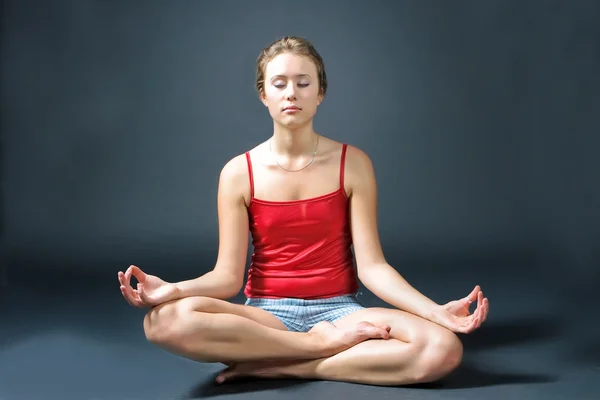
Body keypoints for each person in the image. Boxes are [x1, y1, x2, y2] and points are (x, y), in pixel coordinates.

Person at [117, 36, 489, 387]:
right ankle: (318, 348)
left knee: (442, 349)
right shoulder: (237, 173)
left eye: (303, 82)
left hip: (341, 311)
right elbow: (226, 278)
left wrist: (434, 312)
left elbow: (373, 268)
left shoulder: (352, 163)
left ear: (320, 93)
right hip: (265, 316)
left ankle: (278, 366)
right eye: (279, 84)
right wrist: (173, 289)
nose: (291, 93)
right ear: (264, 95)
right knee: (162, 322)